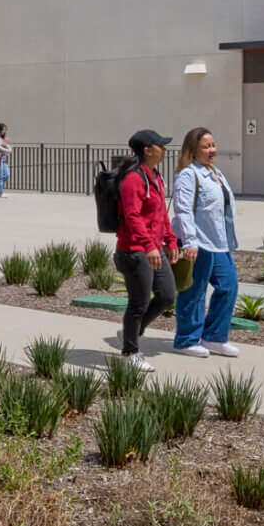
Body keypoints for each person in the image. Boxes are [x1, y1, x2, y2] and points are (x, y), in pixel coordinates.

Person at [170, 126, 240, 357]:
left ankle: (214, 337)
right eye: (206, 146)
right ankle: (186, 340)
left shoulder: (215, 172)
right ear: (192, 150)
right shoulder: (188, 175)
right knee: (194, 292)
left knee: (229, 286)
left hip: (219, 243)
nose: (212, 150)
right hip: (197, 242)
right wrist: (189, 241)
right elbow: (183, 210)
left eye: (213, 145)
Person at [113, 128, 178, 372]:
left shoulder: (155, 176)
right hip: (135, 251)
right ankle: (130, 352)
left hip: (153, 248)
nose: (164, 149)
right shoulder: (133, 179)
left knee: (167, 295)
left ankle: (132, 332)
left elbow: (161, 214)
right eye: (160, 145)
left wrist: (170, 241)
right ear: (147, 150)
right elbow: (132, 216)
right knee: (138, 303)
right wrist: (149, 246)